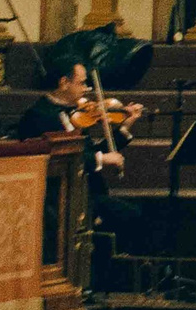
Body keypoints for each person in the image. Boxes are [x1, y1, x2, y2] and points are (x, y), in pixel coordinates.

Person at [15, 57, 143, 262]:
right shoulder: (39, 116)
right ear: (64, 83)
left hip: (82, 193)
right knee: (131, 216)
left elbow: (90, 151)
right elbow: (62, 157)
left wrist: (125, 128)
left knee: (132, 215)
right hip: (60, 197)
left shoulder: (76, 115)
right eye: (82, 82)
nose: (87, 88)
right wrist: (103, 158)